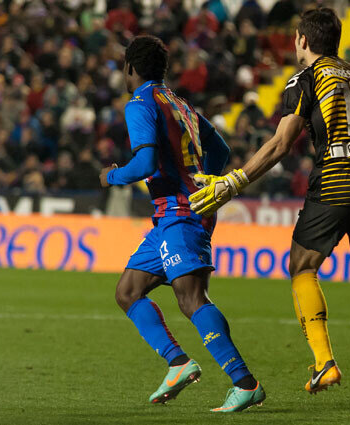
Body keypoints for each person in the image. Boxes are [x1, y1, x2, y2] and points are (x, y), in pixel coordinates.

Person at [188, 8, 350, 419]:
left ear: (303, 41)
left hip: (335, 181)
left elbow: (280, 145)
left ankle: (324, 362)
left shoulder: (306, 77)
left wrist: (232, 182)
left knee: (302, 265)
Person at [98, 35, 265, 412]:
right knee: (127, 291)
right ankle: (177, 363)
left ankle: (245, 382)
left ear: (130, 67)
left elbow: (144, 165)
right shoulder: (180, 103)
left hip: (180, 211)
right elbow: (219, 150)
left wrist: (110, 176)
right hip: (175, 213)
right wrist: (200, 179)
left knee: (191, 299)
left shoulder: (140, 103)